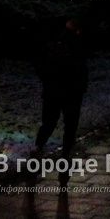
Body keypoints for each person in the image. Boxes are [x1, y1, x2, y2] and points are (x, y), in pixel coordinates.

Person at [34, 19, 87, 164]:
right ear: (78, 30)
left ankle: (38, 146)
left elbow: (40, 65)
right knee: (70, 125)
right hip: (72, 92)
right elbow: (81, 69)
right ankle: (66, 153)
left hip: (52, 90)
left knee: (48, 122)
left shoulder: (52, 43)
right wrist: (81, 88)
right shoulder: (77, 45)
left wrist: (46, 81)